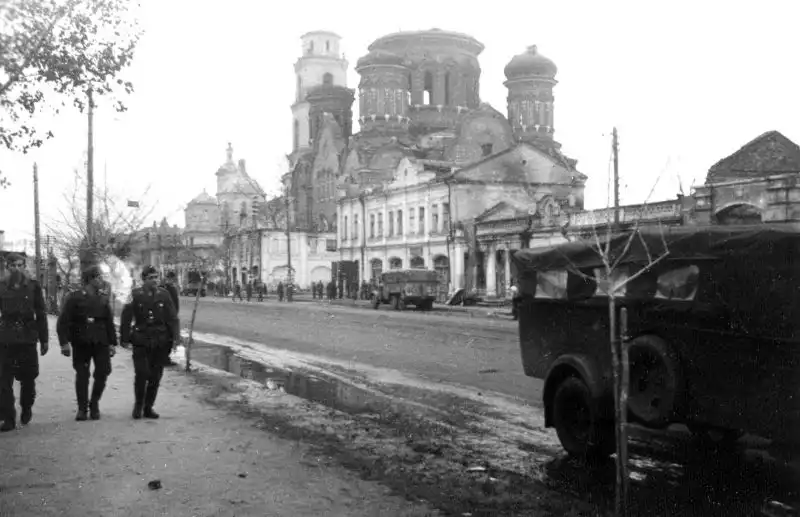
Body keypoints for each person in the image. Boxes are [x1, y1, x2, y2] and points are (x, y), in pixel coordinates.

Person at [56, 265, 117, 421]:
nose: (101, 280)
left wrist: (112, 343)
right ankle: (82, 408)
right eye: (98, 277)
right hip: (81, 341)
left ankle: (94, 403)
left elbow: (109, 322)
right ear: (91, 279)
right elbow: (63, 321)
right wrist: (64, 343)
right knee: (82, 374)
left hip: (100, 341)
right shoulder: (74, 297)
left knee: (103, 372)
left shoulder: (103, 298)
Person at [119, 266, 179, 420]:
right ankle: (138, 405)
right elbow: (126, 317)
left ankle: (148, 407)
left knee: (155, 376)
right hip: (141, 339)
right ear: (144, 279)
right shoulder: (135, 294)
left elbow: (172, 318)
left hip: (160, 340)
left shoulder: (164, 294)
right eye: (151, 278)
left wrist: (175, 339)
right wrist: (124, 338)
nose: (155, 280)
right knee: (141, 373)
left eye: (156, 277)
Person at [0, 253, 49, 432]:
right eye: (13, 265)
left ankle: (26, 406)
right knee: (4, 380)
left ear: (24, 267)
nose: (17, 269)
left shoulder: (33, 287)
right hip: (6, 338)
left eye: (20, 265)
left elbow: (41, 314)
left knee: (28, 378)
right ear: (7, 267)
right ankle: (8, 417)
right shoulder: (1, 287)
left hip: (28, 337)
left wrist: (44, 340)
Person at [160, 271, 180, 367]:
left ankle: (164, 357)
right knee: (168, 338)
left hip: (168, 316)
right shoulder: (167, 288)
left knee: (168, 338)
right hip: (167, 317)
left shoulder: (166, 287)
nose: (171, 280)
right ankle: (164, 358)